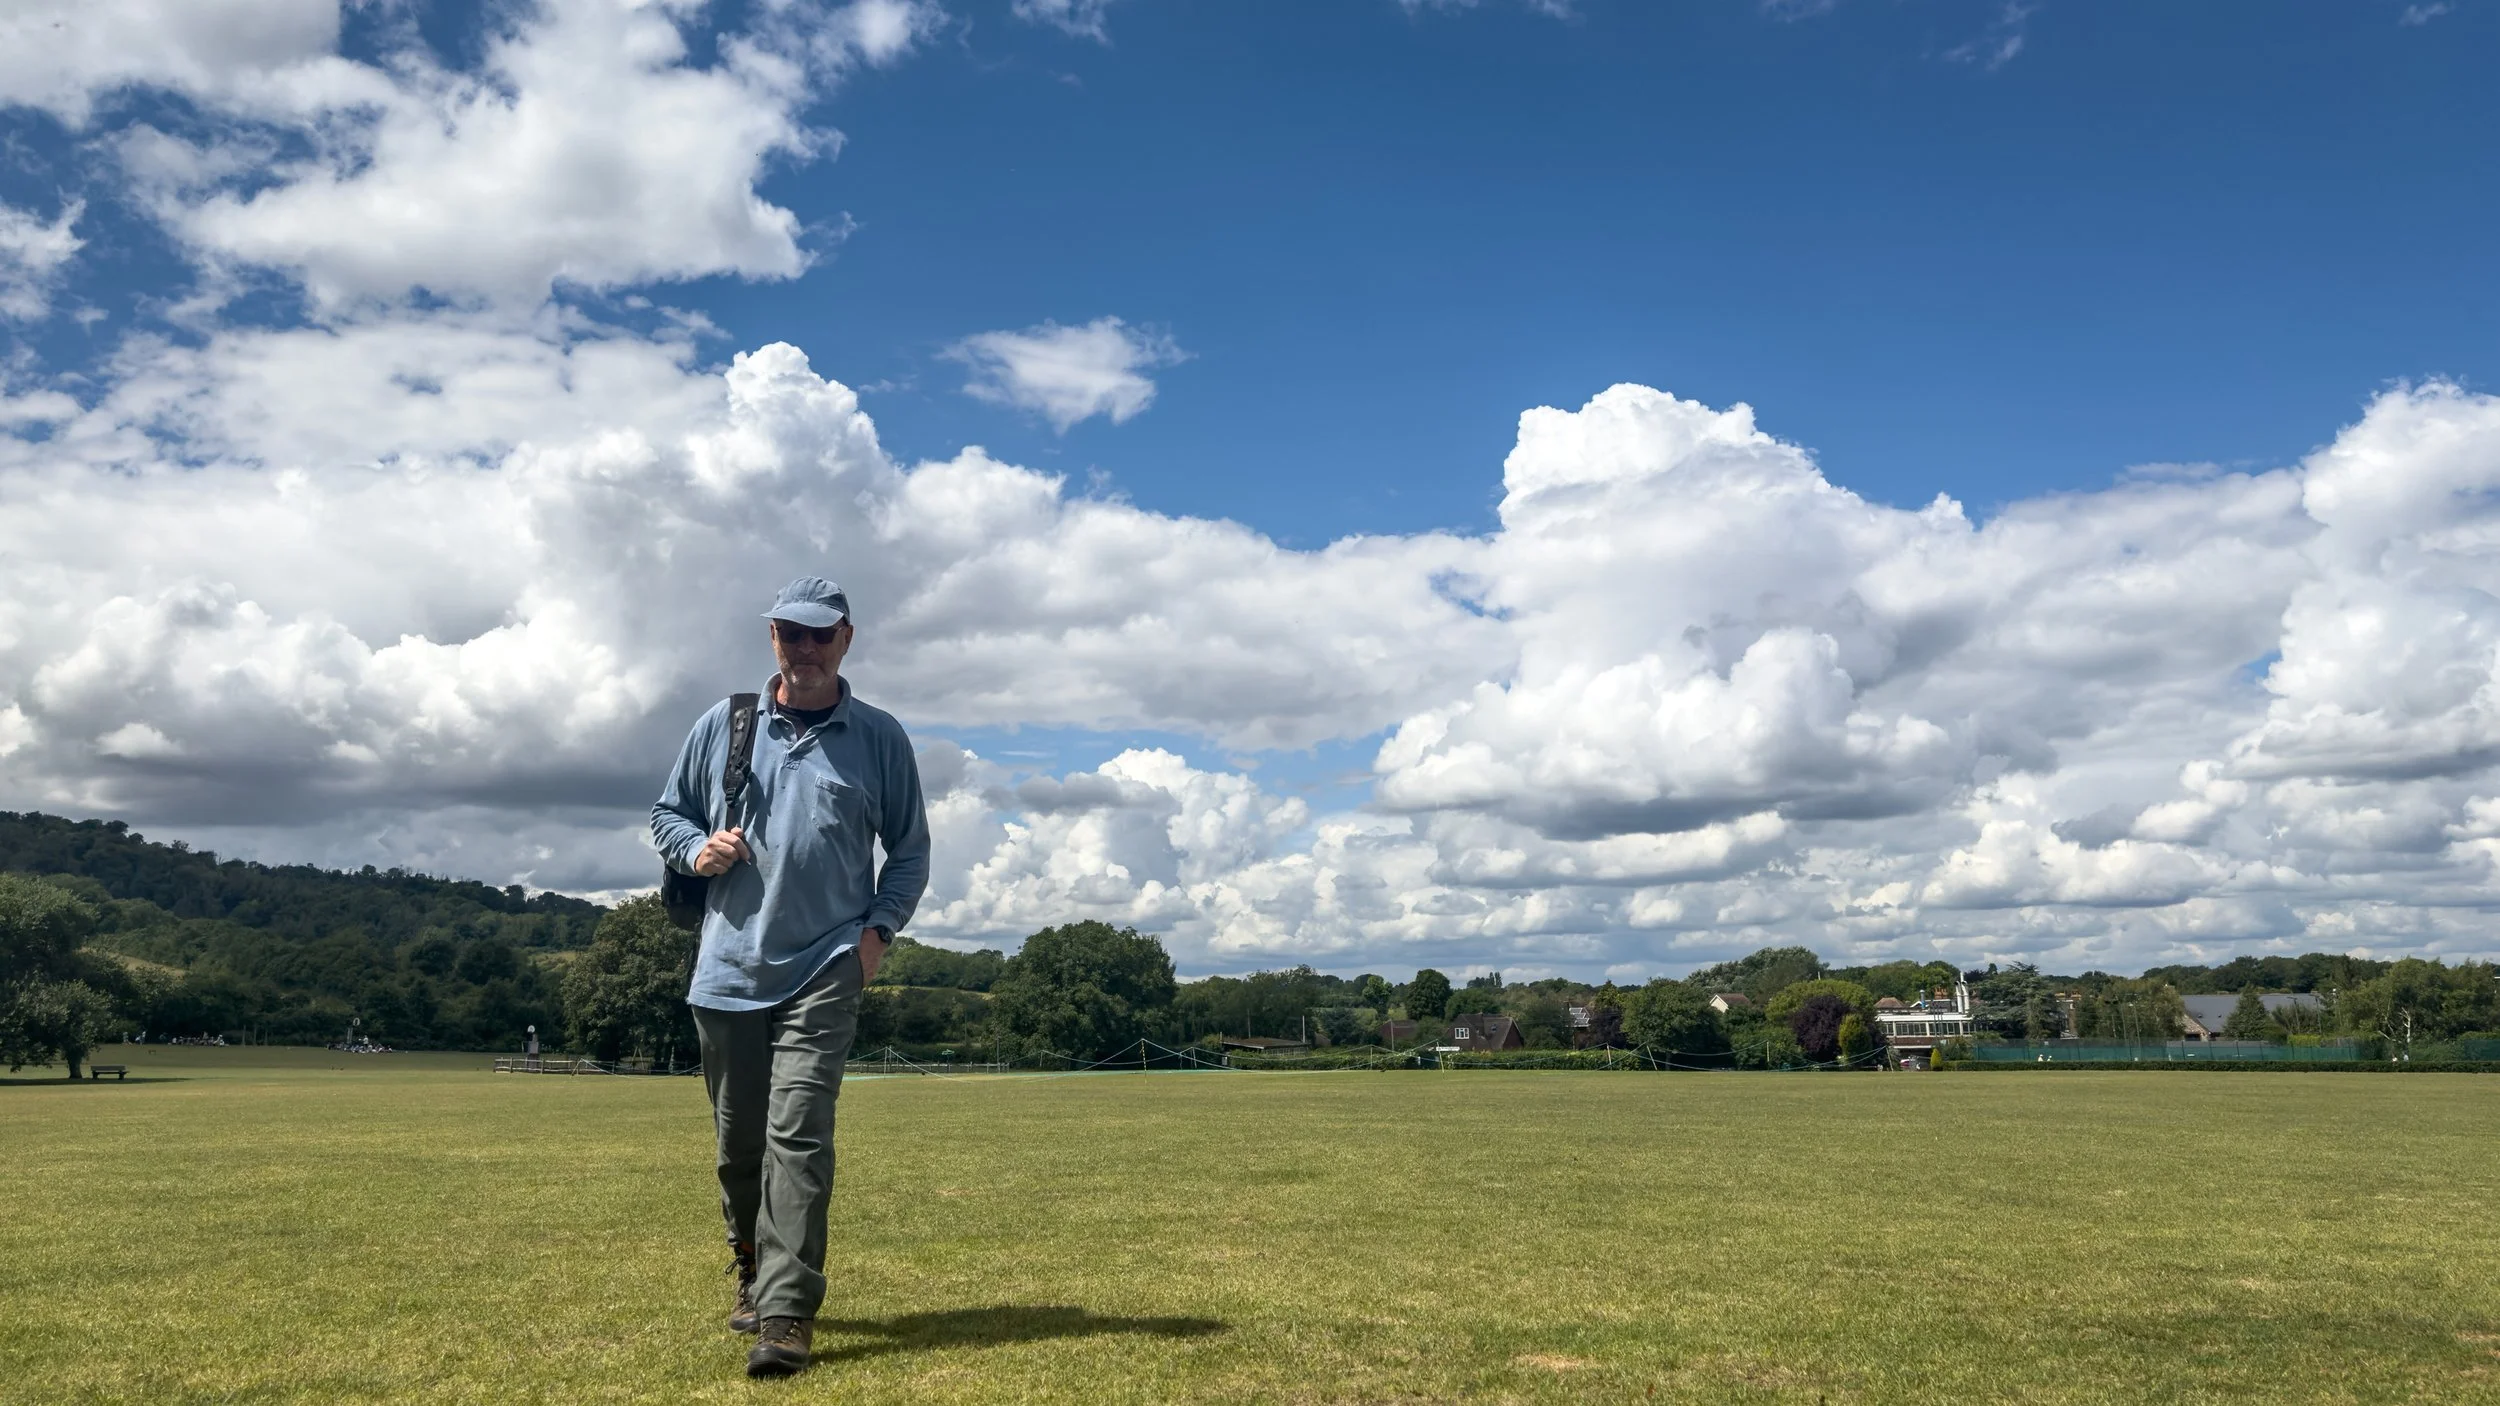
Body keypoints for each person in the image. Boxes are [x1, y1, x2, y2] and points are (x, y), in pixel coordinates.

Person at [651, 576, 931, 1379]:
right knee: (739, 1146)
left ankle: (786, 1312)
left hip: (828, 964)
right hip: (729, 968)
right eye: (789, 634)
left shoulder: (879, 737)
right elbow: (666, 813)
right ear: (771, 638)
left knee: (798, 1137)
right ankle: (749, 1264)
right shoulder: (725, 724)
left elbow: (909, 850)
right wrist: (694, 849)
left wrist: (877, 933)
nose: (803, 649)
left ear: (847, 639)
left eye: (820, 635)